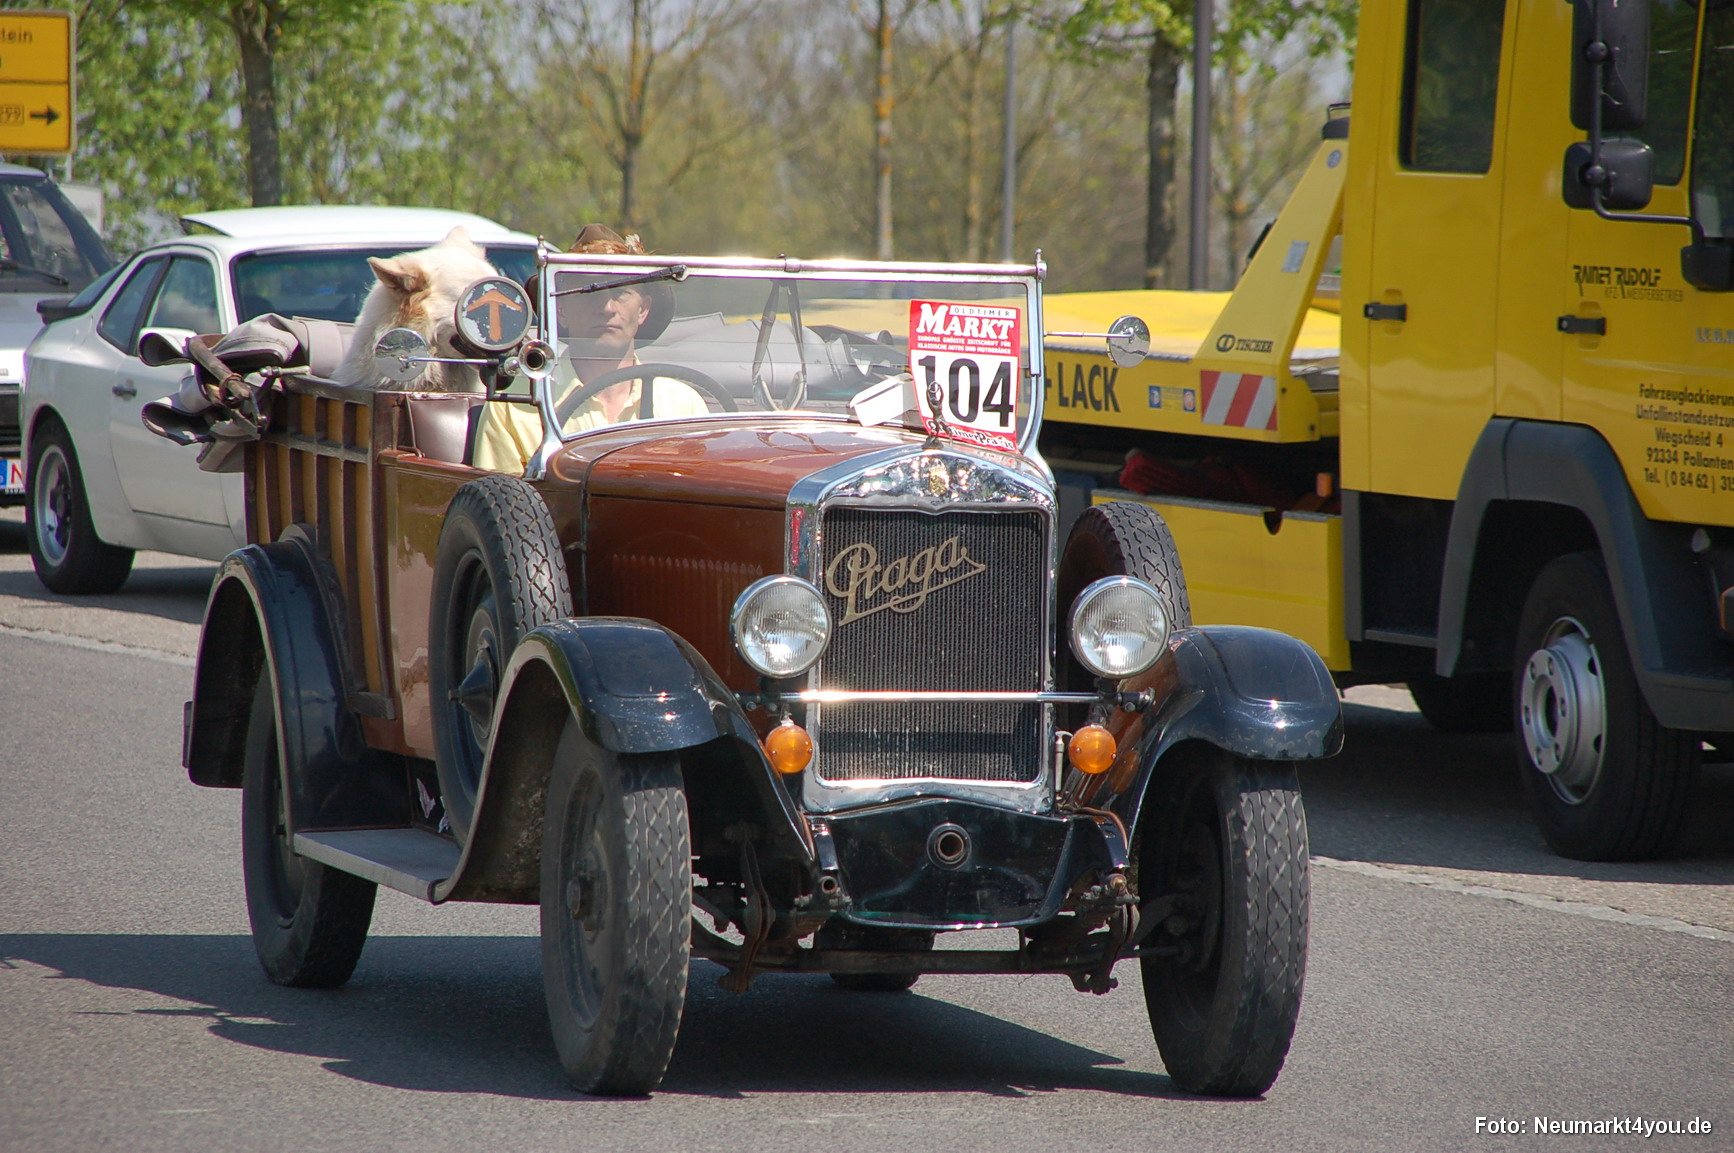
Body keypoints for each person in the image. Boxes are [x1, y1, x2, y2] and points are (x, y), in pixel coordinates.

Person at [470, 225, 711, 473]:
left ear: (643, 310)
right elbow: (500, 505)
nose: (607, 307)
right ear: (560, 309)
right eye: (589, 290)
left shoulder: (684, 407)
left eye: (620, 292)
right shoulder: (514, 406)